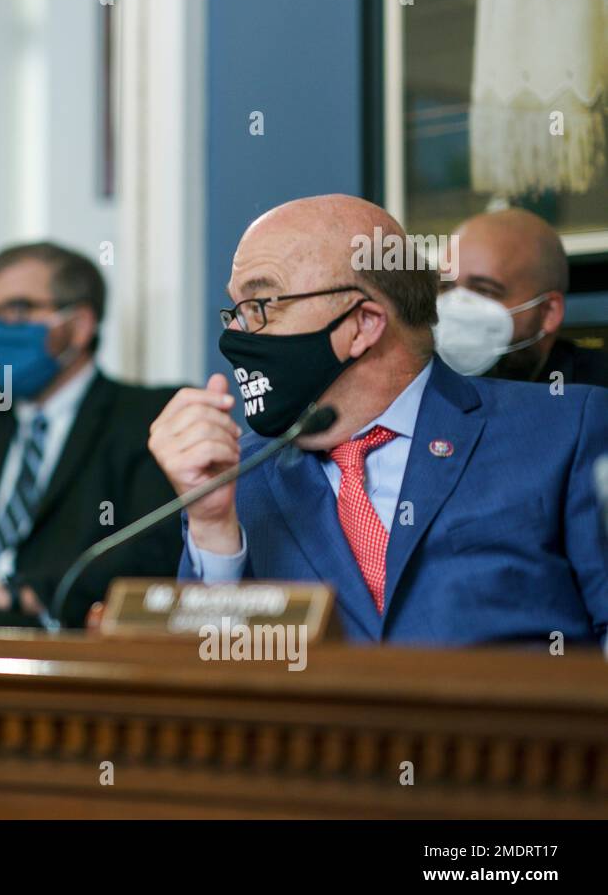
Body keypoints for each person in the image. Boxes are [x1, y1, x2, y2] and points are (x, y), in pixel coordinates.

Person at [149, 194, 607, 646]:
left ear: (364, 323)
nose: (236, 336)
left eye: (260, 306)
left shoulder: (566, 429)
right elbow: (207, 685)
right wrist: (210, 528)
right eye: (237, 312)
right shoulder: (236, 479)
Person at [0, 241, 184, 628]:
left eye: (18, 310)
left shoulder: (148, 419)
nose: (0, 329)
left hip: (70, 650)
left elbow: (154, 548)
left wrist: (25, 594)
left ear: (79, 325)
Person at [437, 207, 608, 386]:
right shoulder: (429, 387)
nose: (456, 307)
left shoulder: (595, 396)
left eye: (484, 290)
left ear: (549, 312)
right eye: (445, 287)